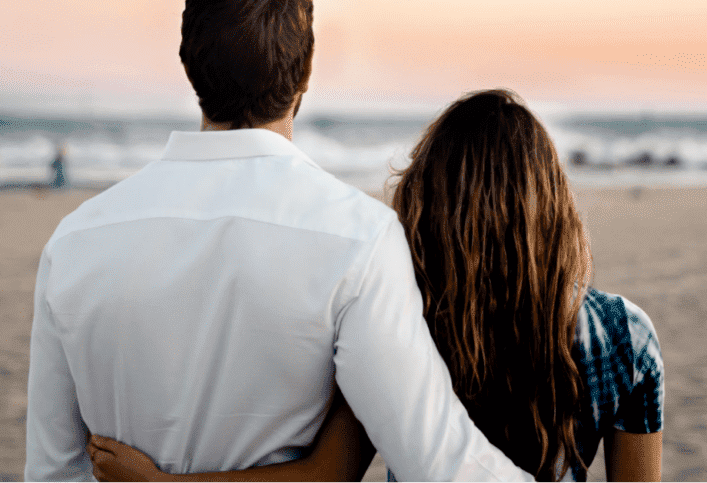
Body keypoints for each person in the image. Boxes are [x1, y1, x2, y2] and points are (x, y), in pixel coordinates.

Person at [25, 0, 534, 483]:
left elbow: (54, 472)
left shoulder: (77, 240)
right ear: (305, 74)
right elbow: (439, 461)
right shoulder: (357, 237)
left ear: (189, 65)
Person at [88, 90, 663, 483]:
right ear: (552, 206)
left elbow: (327, 475)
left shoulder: (400, 318)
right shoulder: (627, 336)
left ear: (430, 203)